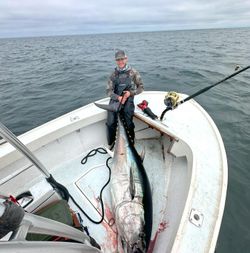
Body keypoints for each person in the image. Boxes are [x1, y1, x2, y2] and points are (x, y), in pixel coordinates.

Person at [106, 50, 144, 147]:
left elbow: (141, 87)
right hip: (116, 99)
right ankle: (111, 143)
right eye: (118, 60)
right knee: (110, 123)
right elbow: (108, 91)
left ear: (126, 59)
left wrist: (130, 93)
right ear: (115, 61)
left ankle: (131, 143)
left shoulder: (133, 72)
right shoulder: (113, 75)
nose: (120, 61)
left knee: (128, 121)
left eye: (122, 59)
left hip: (128, 97)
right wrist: (117, 97)